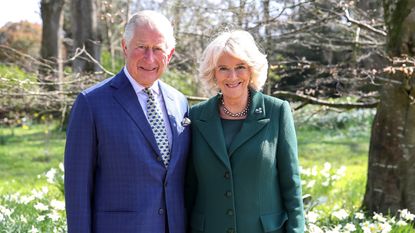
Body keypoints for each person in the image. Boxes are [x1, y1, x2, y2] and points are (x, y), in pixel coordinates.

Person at [64, 10, 191, 233]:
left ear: (169, 55)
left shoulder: (180, 102)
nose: (149, 58)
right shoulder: (91, 104)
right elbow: (78, 190)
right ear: (125, 47)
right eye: (141, 47)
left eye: (158, 49)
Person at [186, 30, 304, 233]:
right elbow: (188, 187)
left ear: (251, 70)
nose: (232, 76)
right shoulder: (195, 117)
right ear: (213, 72)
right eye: (223, 68)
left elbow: (291, 185)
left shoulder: (277, 111)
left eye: (240, 67)